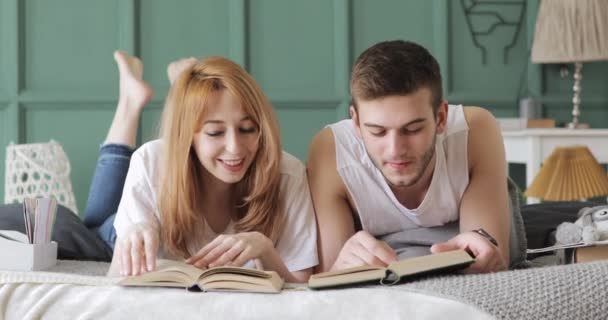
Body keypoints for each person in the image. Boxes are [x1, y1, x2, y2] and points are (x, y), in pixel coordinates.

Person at [83, 51, 318, 282]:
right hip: (131, 216)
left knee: (94, 222)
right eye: (215, 132)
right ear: (188, 136)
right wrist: (129, 239)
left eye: (247, 129)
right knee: (93, 228)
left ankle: (148, 94)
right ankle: (130, 101)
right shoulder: (151, 162)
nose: (235, 148)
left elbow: (300, 286)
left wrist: (265, 250)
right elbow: (113, 281)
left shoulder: (288, 174)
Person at [307, 40, 511, 274]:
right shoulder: (331, 150)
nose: (395, 149)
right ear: (355, 122)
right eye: (377, 132)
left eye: (412, 130)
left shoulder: (474, 130)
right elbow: (331, 279)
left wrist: (484, 255)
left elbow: (483, 262)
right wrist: (341, 267)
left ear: (441, 117)